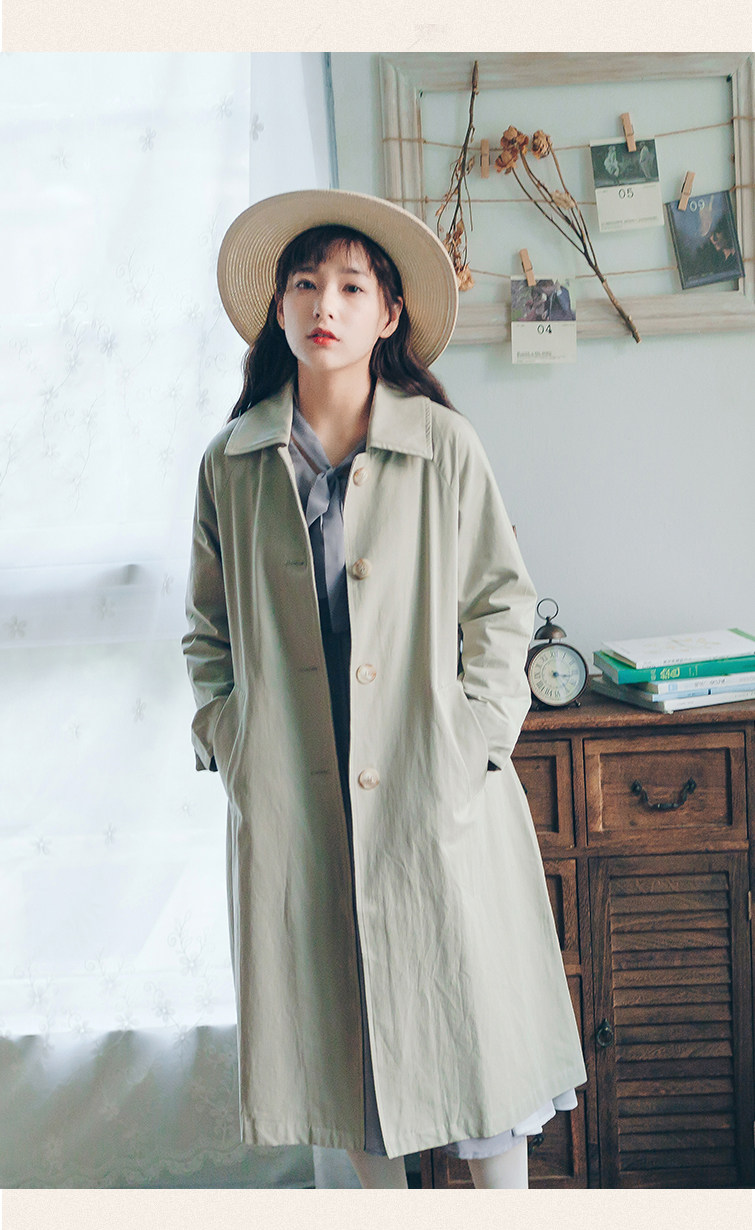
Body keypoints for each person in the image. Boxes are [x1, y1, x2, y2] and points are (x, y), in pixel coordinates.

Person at [182, 188, 587, 1190]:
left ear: (388, 313)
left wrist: (472, 739)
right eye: (304, 283)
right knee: (345, 1057)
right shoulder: (232, 463)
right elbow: (207, 631)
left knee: (478, 1046)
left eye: (351, 286)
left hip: (430, 777)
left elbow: (501, 604)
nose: (324, 303)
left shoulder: (441, 445)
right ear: (279, 308)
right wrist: (231, 738)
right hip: (298, 787)